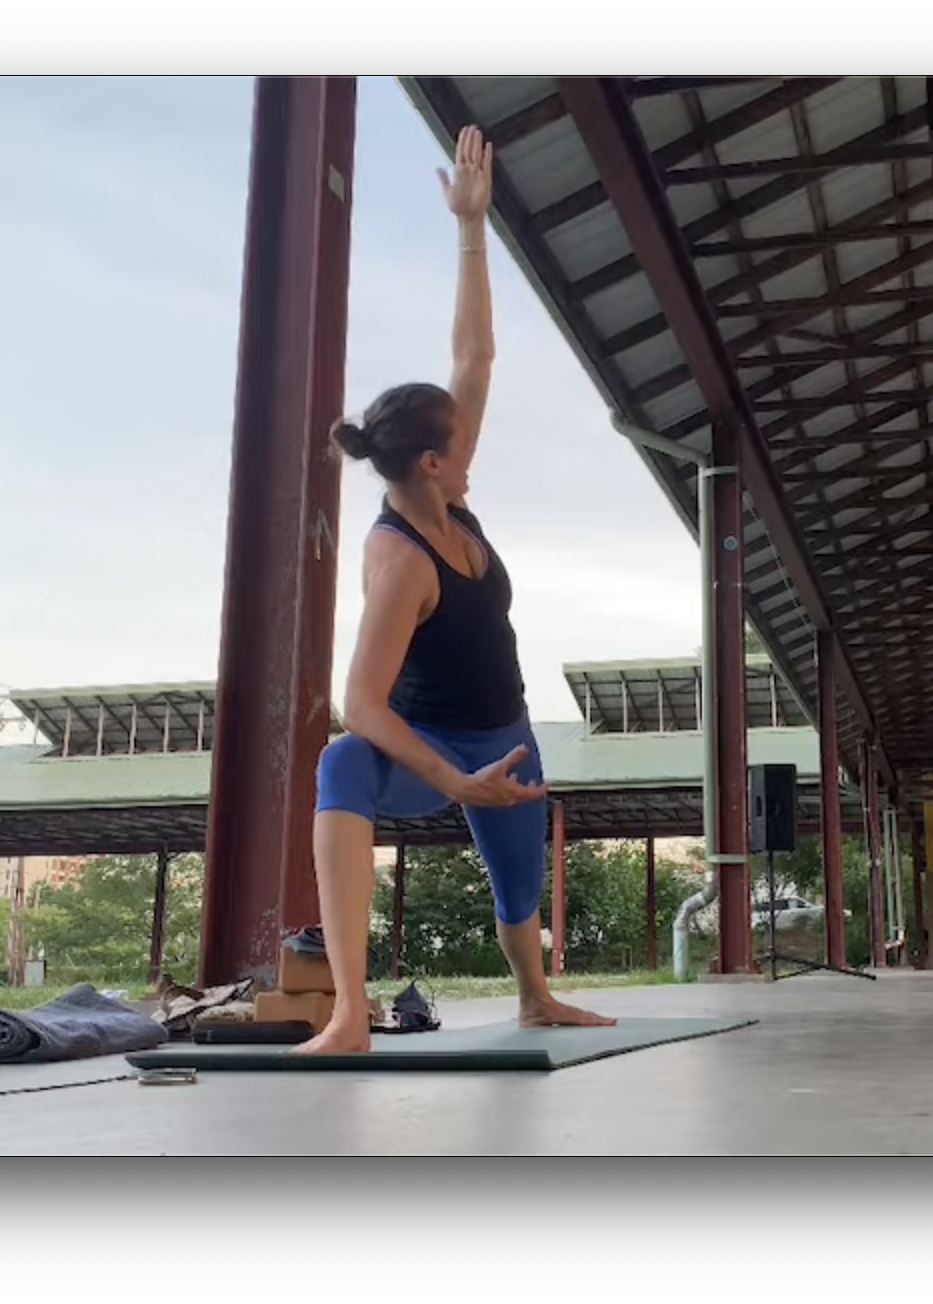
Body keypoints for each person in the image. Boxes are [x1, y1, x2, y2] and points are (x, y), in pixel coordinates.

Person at [299, 126, 614, 1055]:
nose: (473, 457)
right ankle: (351, 1011)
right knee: (341, 765)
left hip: (503, 732)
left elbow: (473, 360)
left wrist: (472, 229)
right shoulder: (399, 560)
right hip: (426, 743)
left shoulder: (439, 487)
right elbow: (359, 704)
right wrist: (448, 780)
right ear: (431, 463)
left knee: (519, 891)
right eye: (461, 452)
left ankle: (533, 996)